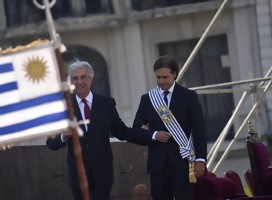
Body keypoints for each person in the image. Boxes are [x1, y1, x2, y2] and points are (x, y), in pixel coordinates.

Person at [46, 60, 169, 200]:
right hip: (78, 177)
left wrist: (149, 135)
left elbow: (122, 132)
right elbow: (51, 142)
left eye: (83, 77)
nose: (79, 81)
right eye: (75, 78)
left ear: (91, 78)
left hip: (102, 175)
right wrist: (63, 136)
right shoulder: (64, 107)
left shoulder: (106, 104)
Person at [133, 55, 207, 200]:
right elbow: (136, 130)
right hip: (158, 165)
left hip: (183, 162)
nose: (161, 81)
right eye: (158, 77)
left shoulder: (189, 96)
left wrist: (200, 160)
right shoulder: (148, 99)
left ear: (174, 74)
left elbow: (199, 130)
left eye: (165, 77)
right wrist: (154, 135)